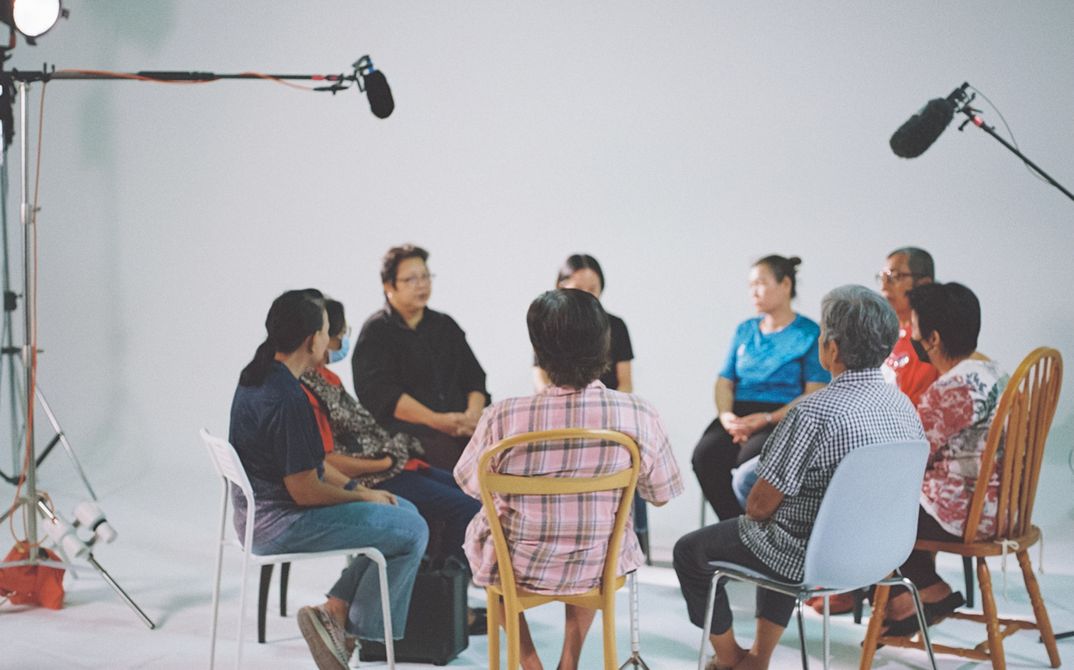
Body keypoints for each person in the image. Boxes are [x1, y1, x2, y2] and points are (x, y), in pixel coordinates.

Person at [674, 285, 924, 670]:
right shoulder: (902, 405)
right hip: (883, 556)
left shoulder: (812, 413)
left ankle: (729, 659)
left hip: (811, 557)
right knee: (789, 527)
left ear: (833, 349)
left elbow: (757, 507)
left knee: (692, 551)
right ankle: (758, 659)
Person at [455, 289, 684, 670]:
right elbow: (660, 496)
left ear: (539, 350)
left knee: (485, 549)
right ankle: (569, 662)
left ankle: (530, 664)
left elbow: (470, 484)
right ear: (604, 346)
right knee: (595, 536)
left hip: (519, 567)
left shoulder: (505, 417)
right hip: (597, 564)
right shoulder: (637, 414)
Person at [229, 290, 428, 670]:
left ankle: (334, 612)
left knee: (407, 512)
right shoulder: (287, 397)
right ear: (312, 339)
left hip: (257, 518)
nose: (331, 339)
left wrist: (358, 489)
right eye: (326, 331)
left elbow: (314, 464)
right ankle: (349, 632)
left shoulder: (258, 377)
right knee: (413, 531)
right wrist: (366, 500)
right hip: (281, 524)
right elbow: (304, 491)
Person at [300, 298, 487, 633]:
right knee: (460, 510)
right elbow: (323, 461)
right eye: (335, 333)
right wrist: (381, 462)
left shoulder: (327, 378)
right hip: (379, 473)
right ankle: (444, 597)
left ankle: (444, 594)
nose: (341, 341)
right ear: (317, 338)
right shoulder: (307, 390)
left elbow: (475, 377)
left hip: (399, 461)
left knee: (473, 494)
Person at [882, 282, 1008, 636]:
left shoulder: (951, 388)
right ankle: (911, 598)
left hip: (968, 513)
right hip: (1003, 505)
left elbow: (908, 453)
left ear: (933, 338)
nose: (912, 334)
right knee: (894, 499)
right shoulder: (995, 372)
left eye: (916, 327)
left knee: (868, 505)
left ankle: (926, 590)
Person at [691, 255, 829, 521]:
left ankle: (757, 528)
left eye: (761, 283)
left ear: (785, 284)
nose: (754, 291)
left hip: (783, 415)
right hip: (740, 412)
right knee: (704, 456)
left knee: (750, 460)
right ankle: (734, 527)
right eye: (750, 284)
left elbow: (815, 390)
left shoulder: (809, 333)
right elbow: (724, 381)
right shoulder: (745, 330)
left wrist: (767, 418)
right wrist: (726, 417)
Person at [353, 244, 490, 470]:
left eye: (426, 277)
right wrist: (438, 421)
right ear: (389, 285)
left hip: (462, 428)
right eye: (412, 279)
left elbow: (474, 377)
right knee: (456, 472)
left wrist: (472, 416)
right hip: (414, 435)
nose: (422, 285)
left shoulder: (445, 324)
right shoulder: (376, 332)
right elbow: (384, 396)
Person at [532, 253, 633, 393]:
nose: (586, 296)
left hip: (607, 410)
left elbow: (626, 383)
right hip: (558, 407)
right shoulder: (549, 324)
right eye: (578, 289)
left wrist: (611, 407)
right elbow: (539, 375)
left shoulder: (616, 325)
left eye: (592, 289)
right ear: (561, 286)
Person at [877, 246, 938, 406]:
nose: (884, 285)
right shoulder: (878, 333)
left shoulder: (933, 338)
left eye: (894, 276)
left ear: (924, 284)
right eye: (883, 277)